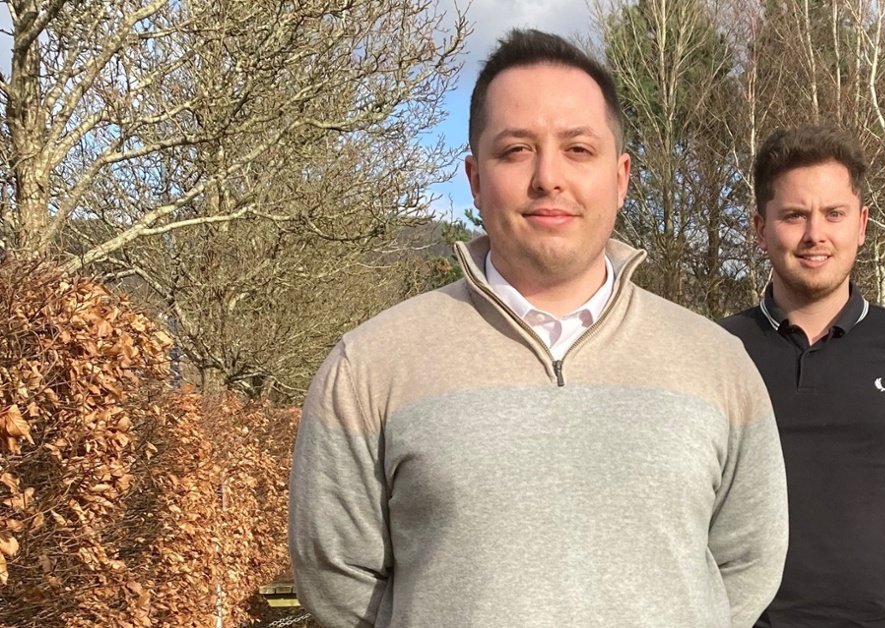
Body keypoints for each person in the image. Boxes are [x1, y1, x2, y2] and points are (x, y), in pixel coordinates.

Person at [288, 29, 788, 628]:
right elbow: (337, 578)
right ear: (474, 178)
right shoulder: (370, 366)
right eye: (516, 149)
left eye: (578, 149)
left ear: (621, 176)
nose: (548, 177)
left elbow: (748, 560)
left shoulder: (717, 364)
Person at [720, 126, 885, 628]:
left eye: (833, 214)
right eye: (794, 215)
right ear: (760, 227)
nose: (815, 234)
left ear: (860, 225)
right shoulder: (718, 351)